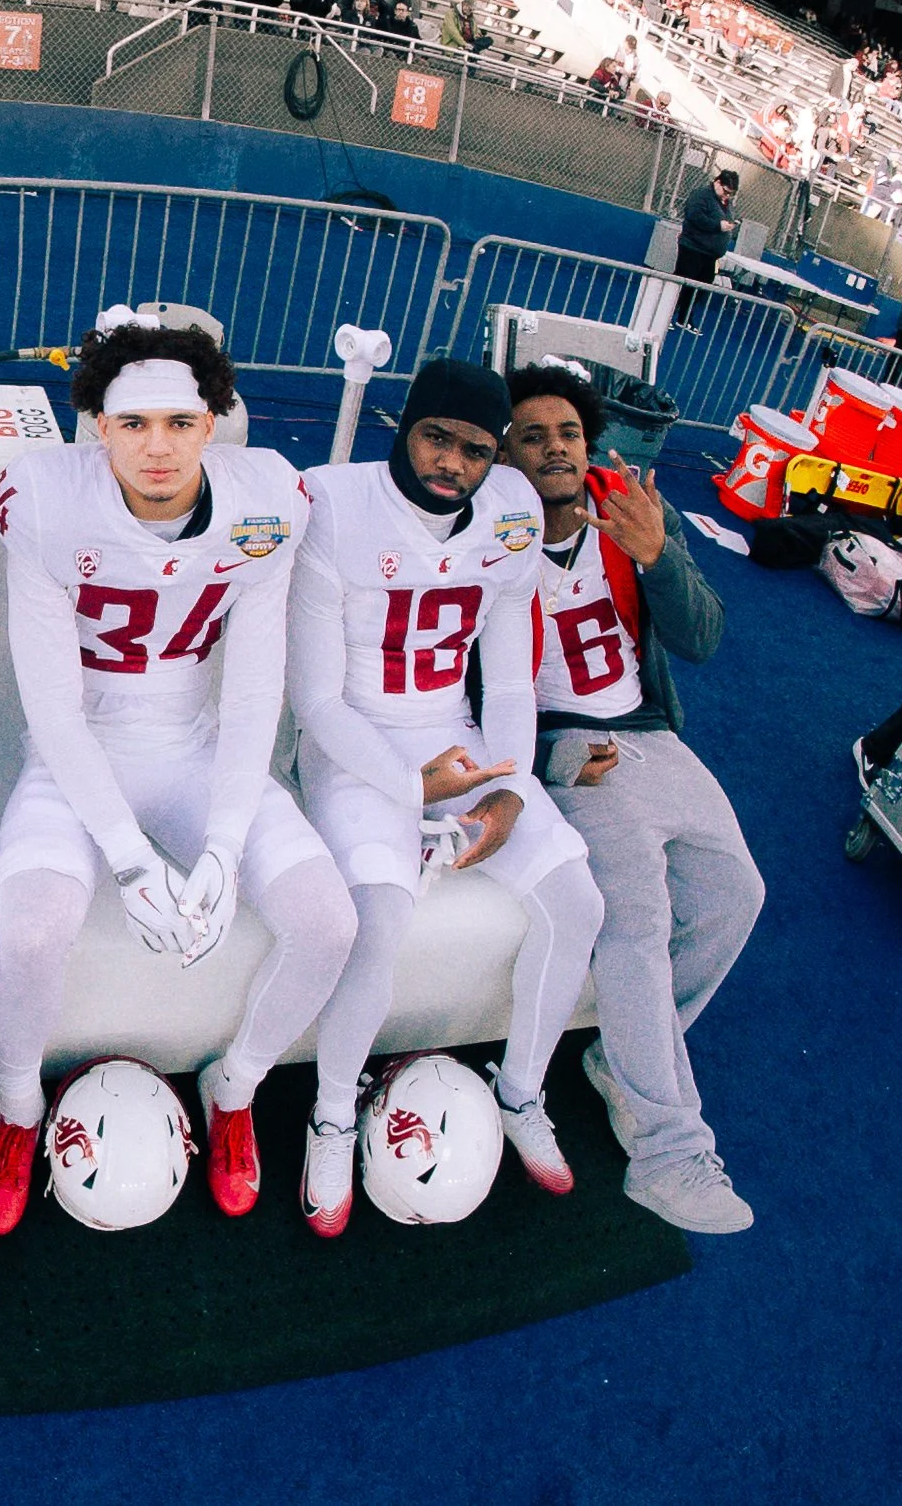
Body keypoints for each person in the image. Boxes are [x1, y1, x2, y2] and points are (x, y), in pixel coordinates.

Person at [0, 317, 356, 1234]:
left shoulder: (264, 502)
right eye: (133, 422)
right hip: (76, 758)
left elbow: (255, 690)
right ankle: (19, 1104)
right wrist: (132, 859)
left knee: (329, 922)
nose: (158, 446)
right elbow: (53, 710)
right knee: (32, 930)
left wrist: (223, 841)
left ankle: (236, 1085)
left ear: (214, 423)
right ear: (97, 425)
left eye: (180, 424)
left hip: (194, 748)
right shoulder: (45, 500)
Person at [290, 359, 607, 1236]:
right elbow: (315, 701)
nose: (451, 463)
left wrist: (508, 786)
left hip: (455, 734)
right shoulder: (334, 503)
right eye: (436, 437)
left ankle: (522, 1091)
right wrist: (406, 788)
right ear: (405, 426)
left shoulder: (508, 509)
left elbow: (507, 680)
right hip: (352, 743)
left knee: (576, 901)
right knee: (381, 914)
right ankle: (330, 1115)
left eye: (475, 448)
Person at [502, 363, 760, 1234]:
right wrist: (548, 760)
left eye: (567, 434)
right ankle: (669, 1152)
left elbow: (706, 637)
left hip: (653, 732)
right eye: (532, 436)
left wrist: (656, 559)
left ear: (589, 443)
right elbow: (456, 691)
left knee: (736, 895)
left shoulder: (634, 512)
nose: (554, 450)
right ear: (507, 451)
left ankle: (623, 1058)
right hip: (573, 744)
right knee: (637, 915)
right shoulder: (486, 539)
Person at [672, 169, 737, 332]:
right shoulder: (701, 195)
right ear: (717, 183)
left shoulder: (724, 203)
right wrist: (717, 226)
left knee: (701, 287)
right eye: (726, 192)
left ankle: (685, 317)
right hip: (693, 247)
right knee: (683, 282)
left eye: (731, 194)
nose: (727, 196)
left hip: (710, 254)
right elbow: (694, 216)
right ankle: (667, 313)